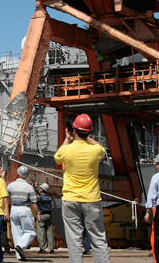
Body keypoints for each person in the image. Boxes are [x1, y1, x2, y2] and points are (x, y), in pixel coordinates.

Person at [54, 113, 111, 263]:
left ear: (74, 129)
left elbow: (57, 158)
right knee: (98, 239)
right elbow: (102, 148)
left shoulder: (66, 150)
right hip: (92, 200)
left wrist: (68, 138)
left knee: (74, 242)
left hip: (70, 199)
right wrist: (87, 137)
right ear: (89, 131)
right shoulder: (96, 151)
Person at [7, 165, 38, 261]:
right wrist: (38, 213)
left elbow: (6, 198)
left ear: (18, 173)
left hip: (13, 209)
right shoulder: (28, 187)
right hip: (24, 208)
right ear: (26, 175)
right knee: (30, 232)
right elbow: (34, 202)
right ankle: (21, 246)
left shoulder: (11, 185)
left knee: (17, 232)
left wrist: (6, 211)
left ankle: (19, 256)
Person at [36, 183, 55, 254]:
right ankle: (51, 248)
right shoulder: (49, 197)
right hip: (49, 215)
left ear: (42, 189)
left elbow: (35, 198)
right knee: (49, 231)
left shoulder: (40, 197)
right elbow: (42, 194)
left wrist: (34, 188)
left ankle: (42, 248)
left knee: (41, 232)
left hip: (42, 215)